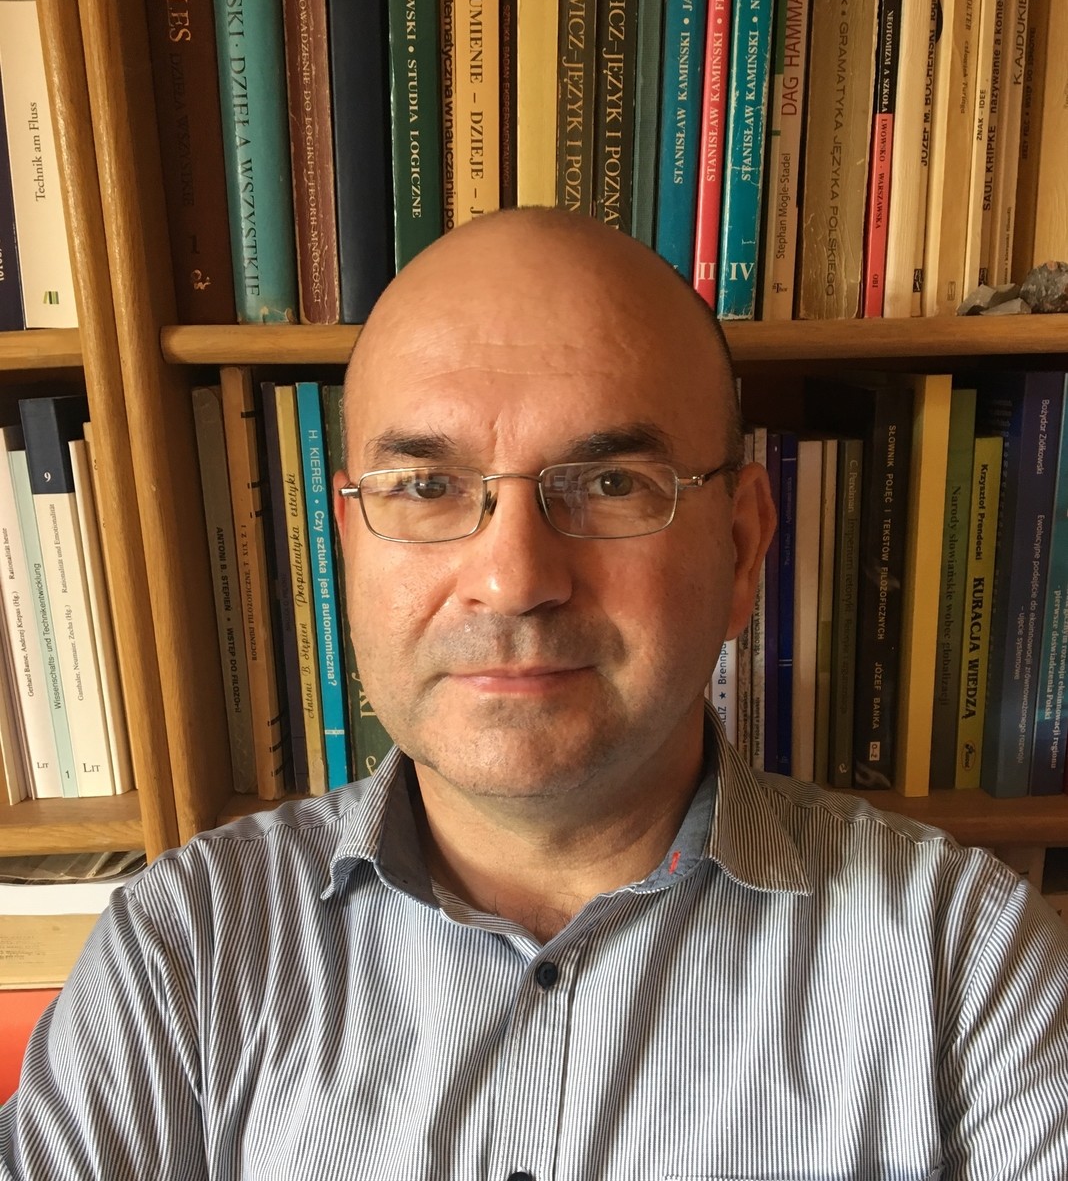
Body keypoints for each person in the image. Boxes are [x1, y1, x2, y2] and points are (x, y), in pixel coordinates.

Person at [2, 208, 1067, 1180]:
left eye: (609, 484)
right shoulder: (184, 952)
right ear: (349, 546)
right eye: (427, 487)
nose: (514, 580)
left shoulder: (967, 966)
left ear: (742, 548)